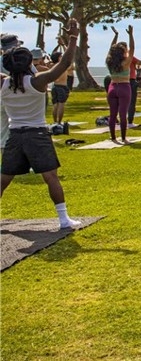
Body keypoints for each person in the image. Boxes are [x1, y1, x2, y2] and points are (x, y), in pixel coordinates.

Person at [1, 19, 83, 229]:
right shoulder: (36, 82)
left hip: (15, 136)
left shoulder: (3, 83)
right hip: (37, 135)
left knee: (4, 179)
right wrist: (73, 37)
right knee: (51, 177)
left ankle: (64, 219)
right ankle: (63, 219)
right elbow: (64, 64)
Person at [105, 26, 135, 145]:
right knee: (123, 115)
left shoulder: (109, 62)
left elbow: (110, 49)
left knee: (113, 115)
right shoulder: (125, 62)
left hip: (112, 88)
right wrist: (131, 35)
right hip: (124, 87)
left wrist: (116, 36)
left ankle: (113, 137)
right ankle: (123, 138)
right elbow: (132, 48)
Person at [49, 44, 75, 126]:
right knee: (61, 105)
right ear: (58, 58)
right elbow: (70, 59)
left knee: (55, 105)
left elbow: (53, 54)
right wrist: (63, 45)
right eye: (60, 56)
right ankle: (59, 122)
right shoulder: (62, 66)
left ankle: (55, 122)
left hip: (55, 86)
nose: (62, 57)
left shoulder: (52, 66)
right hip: (62, 86)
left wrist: (58, 45)